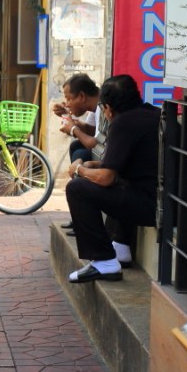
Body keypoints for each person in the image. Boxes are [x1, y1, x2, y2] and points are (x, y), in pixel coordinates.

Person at [64, 75, 159, 283]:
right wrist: (93, 166)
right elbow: (127, 164)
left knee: (77, 189)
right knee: (117, 179)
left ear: (107, 108)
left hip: (148, 205)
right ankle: (120, 247)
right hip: (159, 198)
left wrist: (80, 169)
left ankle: (104, 261)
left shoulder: (122, 123)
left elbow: (106, 178)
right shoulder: (151, 113)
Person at [53, 73, 104, 164]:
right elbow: (91, 130)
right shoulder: (94, 106)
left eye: (69, 99)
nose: (67, 104)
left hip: (111, 158)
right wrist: (68, 116)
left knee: (80, 154)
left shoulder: (103, 107)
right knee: (76, 145)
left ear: (81, 96)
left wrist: (73, 129)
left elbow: (96, 144)